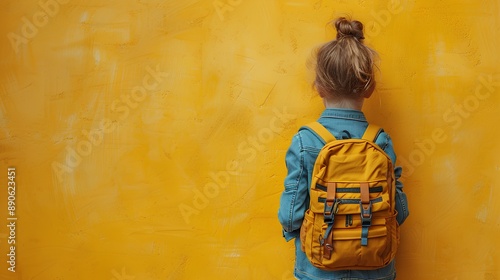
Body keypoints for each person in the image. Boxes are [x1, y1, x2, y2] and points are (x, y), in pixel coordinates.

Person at [278, 17, 409, 280]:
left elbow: (290, 215)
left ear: (319, 87)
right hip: (376, 268)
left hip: (318, 267)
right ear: (369, 88)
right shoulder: (380, 141)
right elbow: (400, 211)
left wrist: (298, 233)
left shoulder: (306, 141)